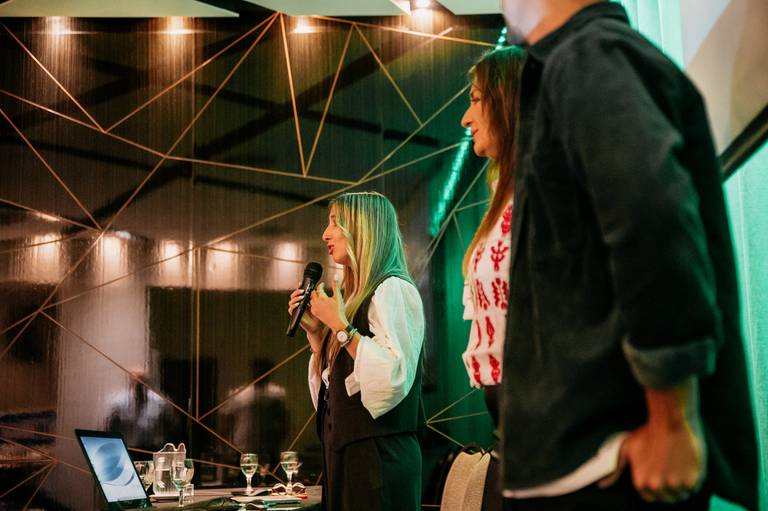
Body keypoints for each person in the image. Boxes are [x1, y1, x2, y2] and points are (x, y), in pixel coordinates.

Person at [495, 0, 758, 510]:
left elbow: (651, 211)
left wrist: (672, 419)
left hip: (616, 470)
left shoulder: (591, 54)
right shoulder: (577, 60)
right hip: (594, 465)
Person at [287, 191, 425, 511]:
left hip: (379, 460)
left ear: (363, 229)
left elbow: (392, 377)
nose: (326, 234)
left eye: (336, 222)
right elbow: (338, 392)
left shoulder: (392, 289)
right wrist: (317, 334)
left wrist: (341, 327)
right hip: (348, 456)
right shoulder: (353, 298)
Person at [458, 46, 525, 511]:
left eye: (475, 99)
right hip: (512, 431)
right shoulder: (506, 195)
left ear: (508, 102)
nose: (466, 117)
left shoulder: (546, 191)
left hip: (545, 431)